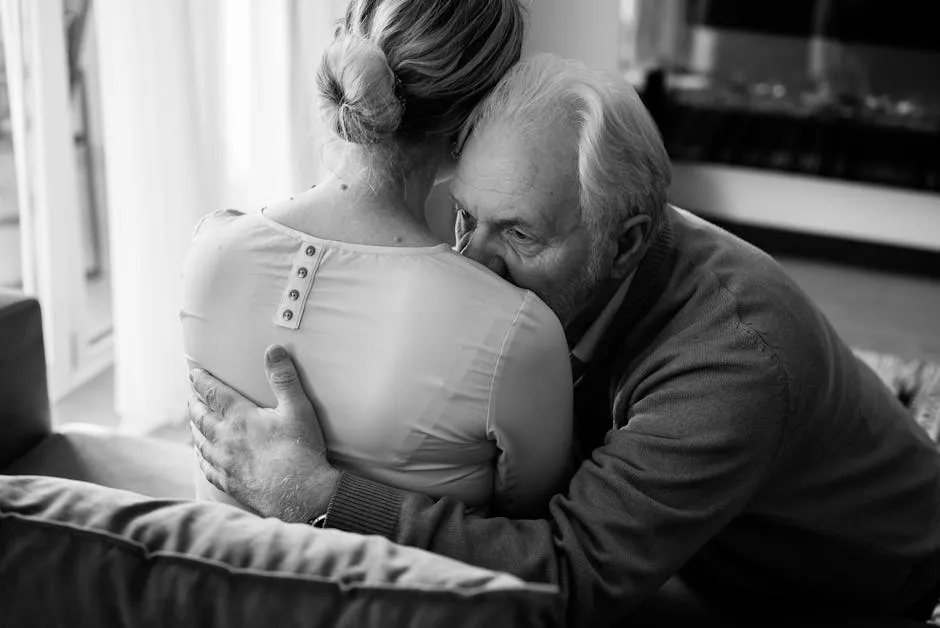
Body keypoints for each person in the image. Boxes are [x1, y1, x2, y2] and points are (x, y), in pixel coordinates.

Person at [189, 54, 940, 625]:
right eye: (466, 218)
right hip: (717, 544)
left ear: (627, 241)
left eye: (519, 233)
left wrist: (322, 495)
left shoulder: (732, 359)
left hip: (864, 592)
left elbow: (572, 575)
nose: (471, 261)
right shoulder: (547, 287)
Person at [180, 0, 573, 519]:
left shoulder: (210, 248)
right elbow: (527, 540)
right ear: (481, 116)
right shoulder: (518, 333)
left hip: (221, 594)